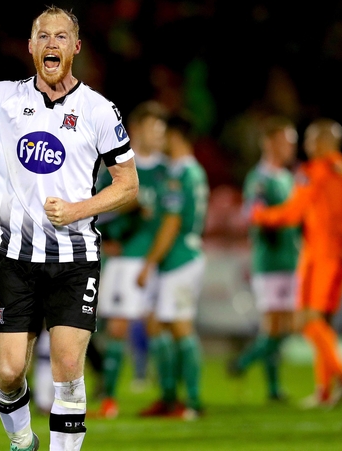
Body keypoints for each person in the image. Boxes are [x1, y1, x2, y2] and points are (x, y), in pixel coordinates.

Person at [0, 6, 139, 451]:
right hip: (16, 260)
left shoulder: (98, 110)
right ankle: (22, 440)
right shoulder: (6, 98)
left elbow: (128, 186)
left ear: (75, 47)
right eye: (43, 36)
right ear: (30, 47)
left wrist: (77, 210)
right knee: (9, 373)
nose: (51, 43)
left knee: (68, 368)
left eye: (61, 36)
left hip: (76, 261)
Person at [250, 118, 342, 407]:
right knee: (322, 323)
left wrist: (261, 216)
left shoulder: (314, 171)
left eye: (312, 140)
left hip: (318, 255)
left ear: (325, 142)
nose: (307, 146)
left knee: (306, 320)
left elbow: (293, 212)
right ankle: (324, 391)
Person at [94, 100, 168, 419]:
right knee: (121, 326)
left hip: (157, 261)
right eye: (153, 129)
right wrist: (109, 237)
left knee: (155, 326)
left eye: (162, 131)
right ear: (136, 130)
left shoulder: (168, 170)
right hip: (126, 259)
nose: (159, 136)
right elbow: (93, 208)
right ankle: (110, 400)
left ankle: (169, 398)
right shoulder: (117, 166)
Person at [138, 112, 209, 419]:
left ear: (176, 137)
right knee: (159, 325)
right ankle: (169, 398)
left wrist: (148, 263)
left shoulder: (181, 174)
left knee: (179, 327)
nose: (162, 141)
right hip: (182, 257)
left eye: (165, 135)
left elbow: (171, 222)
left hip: (180, 260)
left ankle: (191, 402)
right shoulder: (192, 172)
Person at [229, 116, 299, 402]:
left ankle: (247, 361)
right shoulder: (258, 179)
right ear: (270, 143)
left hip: (290, 259)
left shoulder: (286, 177)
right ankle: (267, 383)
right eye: (286, 141)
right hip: (268, 261)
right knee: (273, 326)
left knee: (289, 326)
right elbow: (253, 215)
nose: (290, 147)